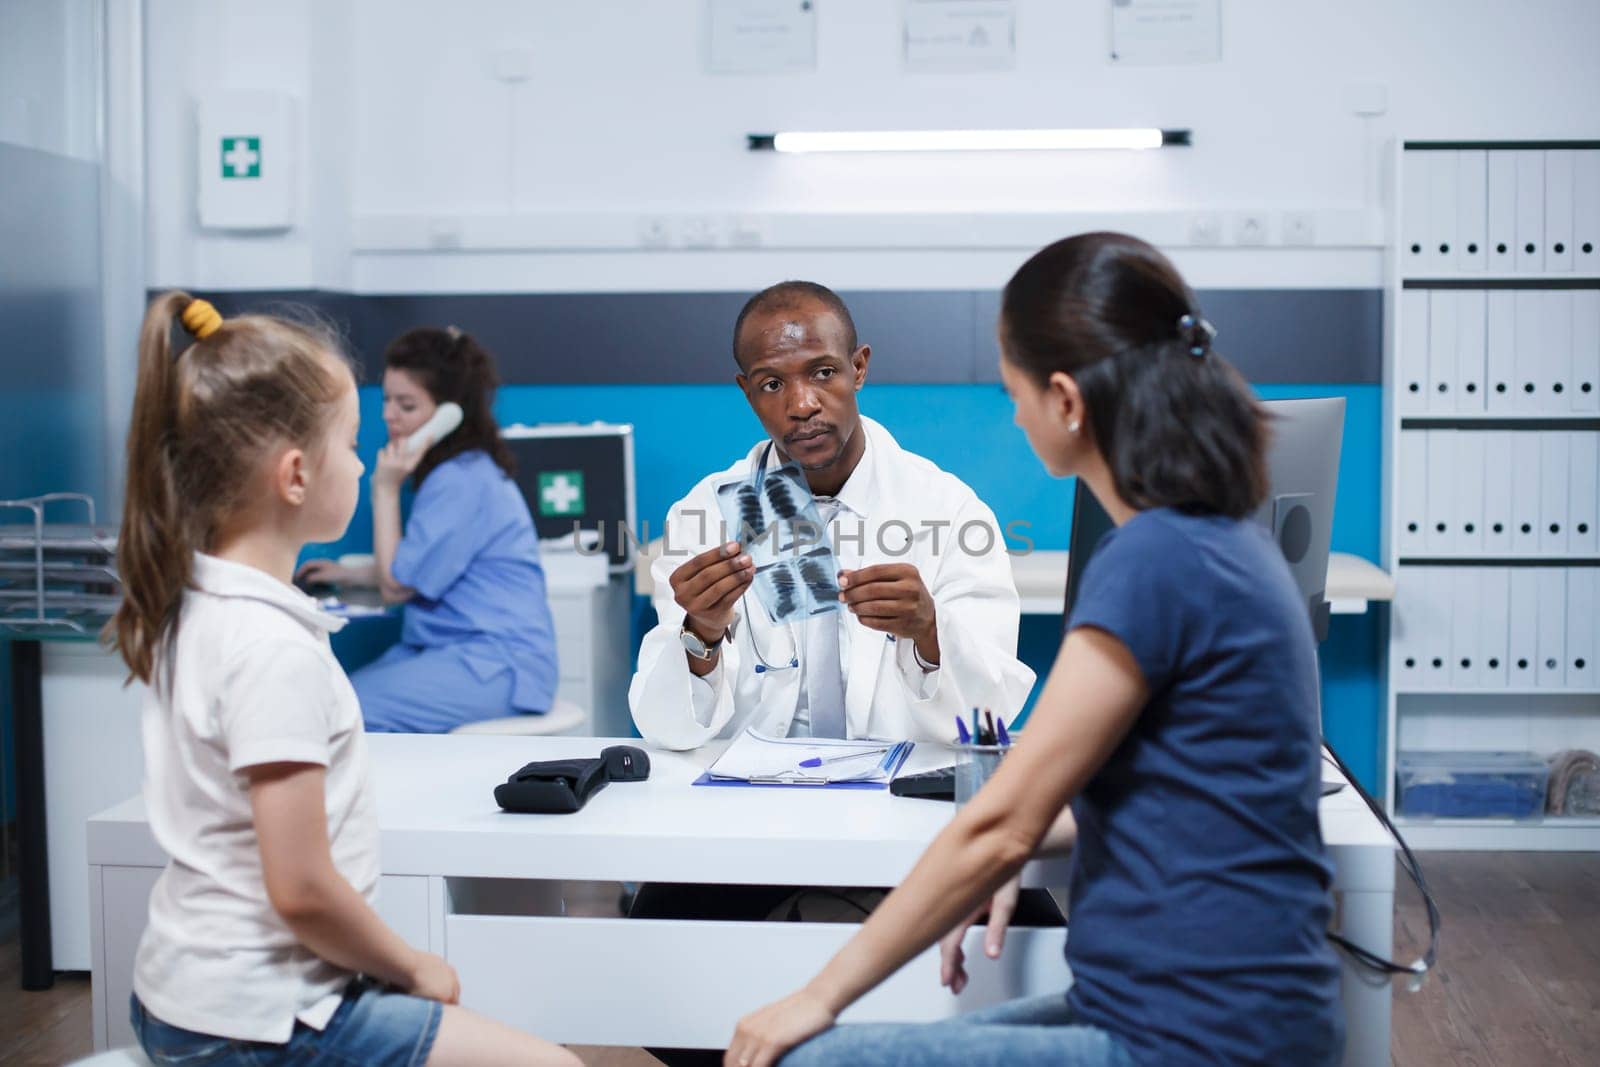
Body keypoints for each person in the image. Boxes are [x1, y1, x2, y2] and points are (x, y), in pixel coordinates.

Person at [726, 234, 1345, 1067]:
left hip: (1192, 1037)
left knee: (802, 1056)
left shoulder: (1151, 559)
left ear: (1064, 399)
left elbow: (1001, 821)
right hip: (1175, 1002)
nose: (1013, 416)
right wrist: (1008, 844)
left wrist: (812, 996)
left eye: (1014, 391)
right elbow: (1139, 797)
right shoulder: (1219, 541)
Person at [105, 293, 577, 1065]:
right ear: (294, 475)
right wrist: (412, 963)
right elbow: (301, 890)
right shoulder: (272, 650)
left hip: (186, 990)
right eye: (354, 443)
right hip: (261, 1016)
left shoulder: (191, 606)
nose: (368, 459)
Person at [630, 280, 1035, 750]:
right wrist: (702, 632)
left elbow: (991, 713)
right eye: (773, 384)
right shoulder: (708, 512)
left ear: (858, 367)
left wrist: (929, 631)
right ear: (747, 392)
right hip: (752, 799)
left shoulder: (947, 510)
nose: (802, 405)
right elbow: (666, 728)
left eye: (822, 372)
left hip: (896, 796)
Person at [296, 326, 558, 733]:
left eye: (406, 404)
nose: (388, 415)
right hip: (455, 653)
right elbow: (423, 565)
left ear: (449, 416)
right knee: (332, 696)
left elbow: (396, 587)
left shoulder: (460, 481)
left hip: (495, 664)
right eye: (386, 400)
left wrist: (385, 488)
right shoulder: (460, 473)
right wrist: (347, 574)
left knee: (340, 714)